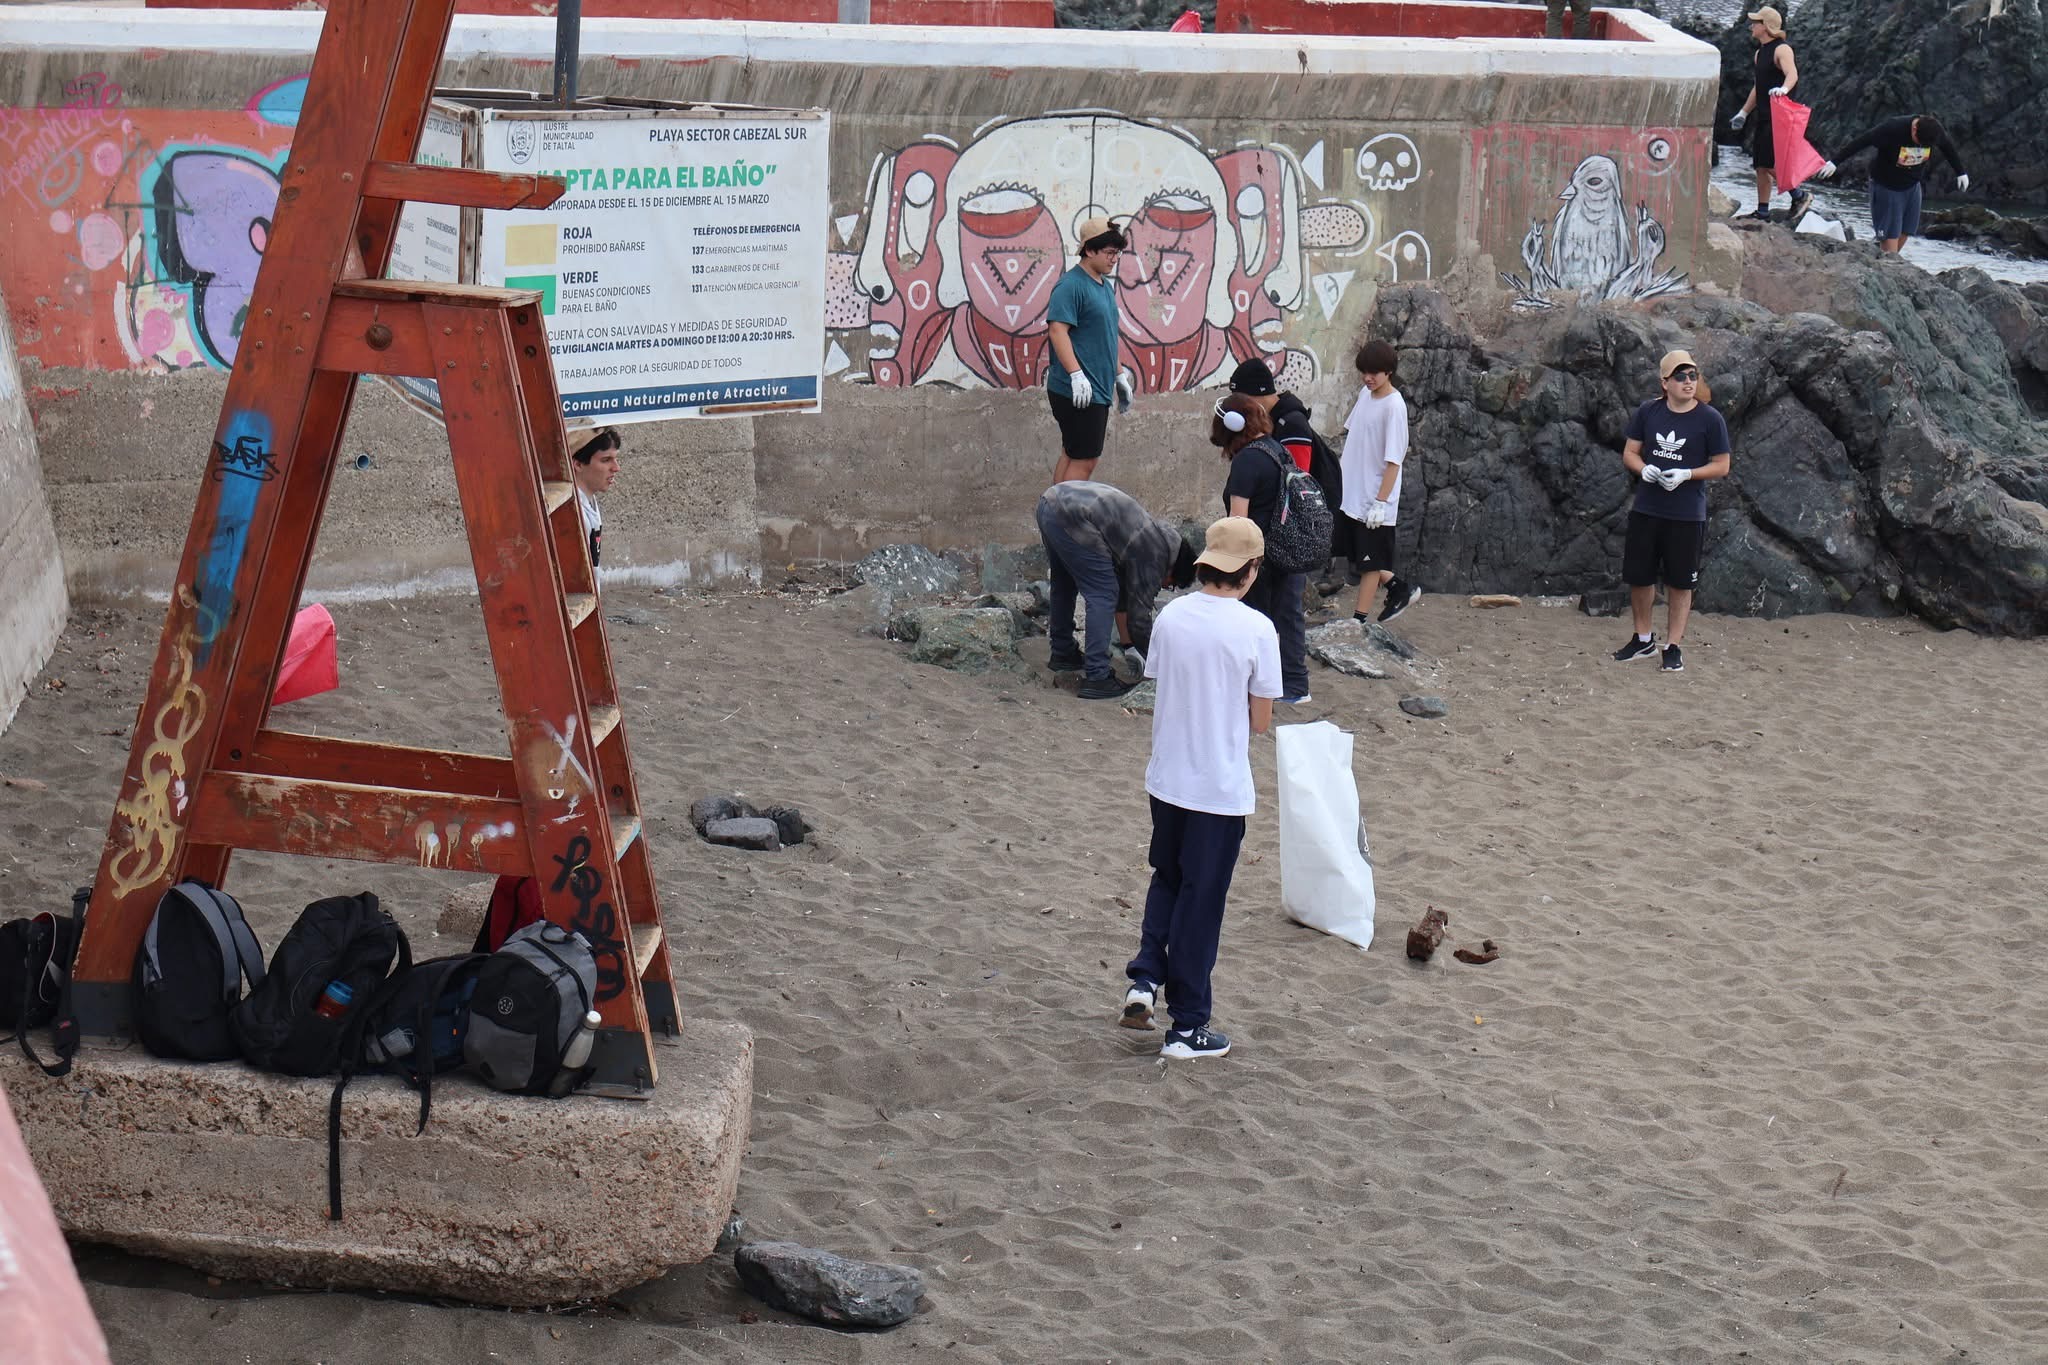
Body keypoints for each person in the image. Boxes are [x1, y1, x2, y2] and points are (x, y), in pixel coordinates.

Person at [1119, 516, 1280, 1060]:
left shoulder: (1171, 616)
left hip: (1167, 778)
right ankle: (1188, 1026)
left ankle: (1144, 979)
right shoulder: (1258, 629)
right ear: (1251, 569)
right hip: (1217, 787)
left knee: (1167, 877)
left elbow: (1160, 681)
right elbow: (1261, 721)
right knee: (1201, 903)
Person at [1612, 350, 1732, 674]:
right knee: (1640, 576)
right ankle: (1643, 638)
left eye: (1692, 375)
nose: (1688, 382)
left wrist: (1688, 474)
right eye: (1680, 376)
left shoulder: (1710, 419)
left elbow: (1722, 465)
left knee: (1681, 583)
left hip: (1686, 513)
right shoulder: (1648, 412)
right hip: (1648, 508)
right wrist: (1644, 468)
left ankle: (1673, 646)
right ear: (1664, 382)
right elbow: (1630, 452)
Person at [1036, 480, 1198, 700]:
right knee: (1102, 594)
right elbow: (1139, 619)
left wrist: (1129, 645)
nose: (1163, 588)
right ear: (1173, 570)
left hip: (1051, 504)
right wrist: (1160, 663)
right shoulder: (1156, 554)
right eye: (1169, 584)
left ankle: (1063, 653)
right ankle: (1097, 677)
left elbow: (1125, 593)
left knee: (1064, 583)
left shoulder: (1152, 534)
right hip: (1074, 516)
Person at [1214, 394, 1311, 704]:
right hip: (1289, 547)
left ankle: (1253, 685)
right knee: (1288, 616)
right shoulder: (1278, 449)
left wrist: (1230, 565)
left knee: (1253, 618)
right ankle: (1295, 684)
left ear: (1231, 425)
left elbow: (1238, 521)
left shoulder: (1247, 460)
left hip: (1261, 553)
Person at [1226, 357, 1347, 602]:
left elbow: (1297, 480)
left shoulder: (1292, 424)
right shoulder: (1275, 420)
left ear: (1254, 397)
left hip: (1293, 527)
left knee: (1286, 606)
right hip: (1280, 526)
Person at [1337, 340, 1421, 626]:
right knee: (1357, 553)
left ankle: (1358, 620)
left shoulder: (1394, 406)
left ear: (1389, 372)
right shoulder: (1365, 394)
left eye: (1374, 372)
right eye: (1364, 372)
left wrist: (1381, 502)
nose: (1368, 378)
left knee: (1370, 561)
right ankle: (1398, 587)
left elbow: (1394, 460)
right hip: (1352, 491)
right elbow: (1354, 433)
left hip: (1374, 496)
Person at [1046, 216, 1131, 485]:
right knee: (1085, 459)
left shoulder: (1104, 286)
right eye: (1109, 252)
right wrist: (1076, 375)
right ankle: (1065, 522)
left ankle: (1053, 517)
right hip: (1080, 390)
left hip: (1096, 387)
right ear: (1089, 250)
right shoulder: (1071, 285)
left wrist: (1119, 377)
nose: (1114, 258)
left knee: (1072, 453)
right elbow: (1057, 331)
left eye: (1117, 253)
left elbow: (1105, 336)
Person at [1816, 114, 1970, 254]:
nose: (1922, 146)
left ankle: (1877, 254)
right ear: (1914, 128)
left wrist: (1960, 172)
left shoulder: (1933, 130)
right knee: (1890, 241)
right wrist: (1835, 162)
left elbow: (1947, 146)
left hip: (1912, 186)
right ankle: (1883, 259)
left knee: (1907, 230)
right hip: (1887, 187)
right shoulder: (1892, 128)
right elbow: (1862, 141)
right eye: (1919, 142)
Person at [1727, 7, 1799, 221]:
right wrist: (1743, 112)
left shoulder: (1782, 49)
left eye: (1756, 22)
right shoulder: (1760, 54)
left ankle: (1800, 195)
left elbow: (1792, 73)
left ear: (1766, 26)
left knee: (1769, 162)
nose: (1752, 26)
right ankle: (1763, 210)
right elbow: (1759, 86)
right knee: (1760, 164)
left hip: (1780, 115)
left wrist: (1783, 90)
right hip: (1764, 114)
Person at [570, 426, 621, 568]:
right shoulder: (574, 515)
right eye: (606, 460)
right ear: (578, 464)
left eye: (615, 459)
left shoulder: (588, 501)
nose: (616, 468)